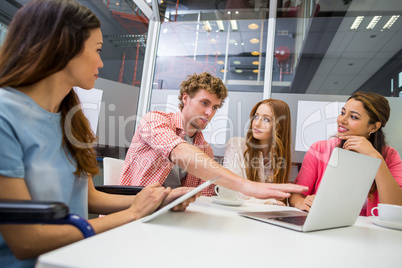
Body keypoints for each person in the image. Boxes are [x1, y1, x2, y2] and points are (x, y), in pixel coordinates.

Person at [0, 1, 198, 267]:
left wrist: (157, 201)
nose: (102, 62)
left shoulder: (70, 117)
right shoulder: (5, 115)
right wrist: (133, 213)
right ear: (64, 47)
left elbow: (88, 197)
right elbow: (26, 241)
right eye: (97, 50)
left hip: (78, 256)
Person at [120, 73, 308, 199]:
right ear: (185, 98)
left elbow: (207, 196)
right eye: (204, 103)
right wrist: (247, 186)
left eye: (215, 107)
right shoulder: (154, 120)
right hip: (132, 214)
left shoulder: (205, 148)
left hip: (170, 216)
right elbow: (180, 152)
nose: (209, 112)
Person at [289, 92, 402, 215]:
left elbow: (395, 207)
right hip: (325, 226)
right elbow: (296, 195)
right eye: (343, 113)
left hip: (368, 231)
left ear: (374, 127)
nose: (342, 120)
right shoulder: (319, 149)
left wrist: (375, 158)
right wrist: (301, 202)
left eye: (353, 117)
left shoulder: (389, 156)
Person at [223, 99, 294, 205]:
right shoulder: (235, 145)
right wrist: (270, 202)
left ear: (280, 126)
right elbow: (231, 192)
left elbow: (281, 202)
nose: (256, 124)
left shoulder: (279, 159)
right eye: (256, 117)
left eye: (266, 119)